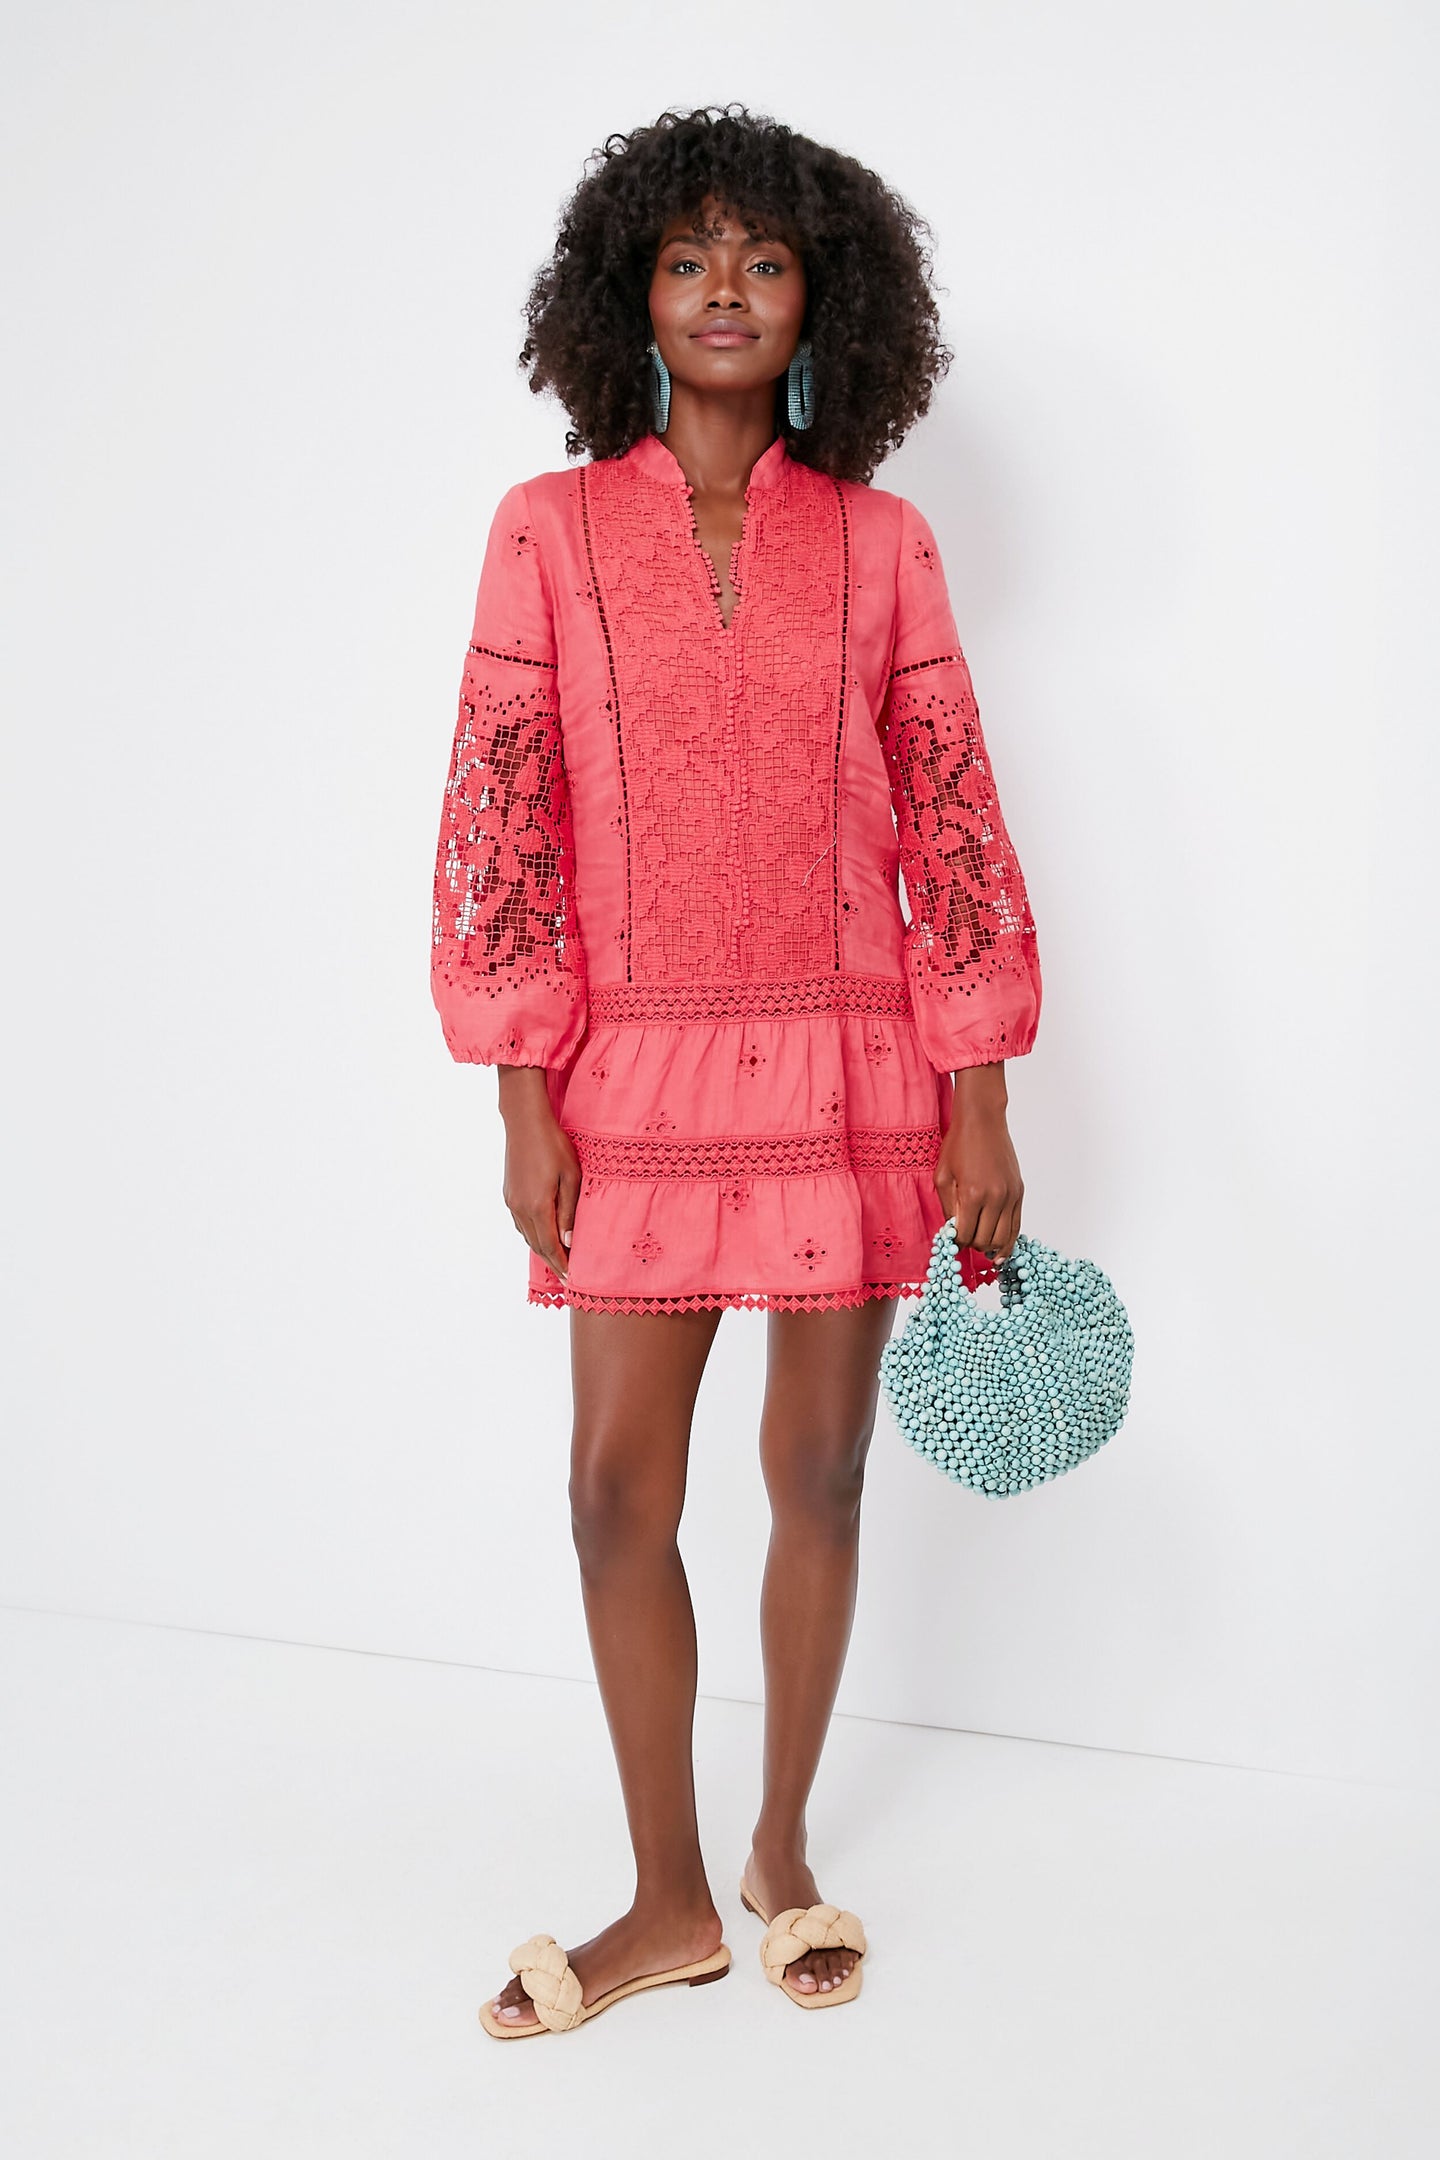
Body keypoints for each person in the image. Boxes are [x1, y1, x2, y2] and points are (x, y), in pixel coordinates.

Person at [431, 105, 1043, 2035]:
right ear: (628, 292)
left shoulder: (881, 544)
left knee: (821, 1470)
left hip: (855, 1070)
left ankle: (777, 1854)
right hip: (630, 1085)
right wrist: (521, 1087)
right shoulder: (544, 533)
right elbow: (502, 813)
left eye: (763, 261)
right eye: (688, 257)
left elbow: (949, 812)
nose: (723, 288)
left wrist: (981, 1090)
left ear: (818, 301)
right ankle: (666, 1897)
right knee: (616, 1491)